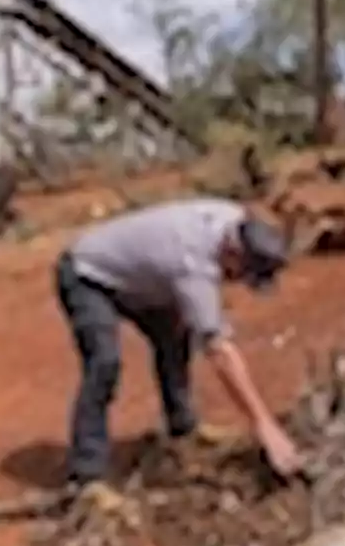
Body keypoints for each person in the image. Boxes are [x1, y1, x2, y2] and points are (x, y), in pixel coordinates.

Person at [54, 196, 301, 492]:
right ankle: (86, 476)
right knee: (105, 361)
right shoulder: (192, 262)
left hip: (144, 281)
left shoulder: (233, 220)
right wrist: (265, 425)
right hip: (87, 275)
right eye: (240, 274)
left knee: (175, 336)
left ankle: (182, 429)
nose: (234, 282)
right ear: (233, 254)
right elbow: (219, 351)